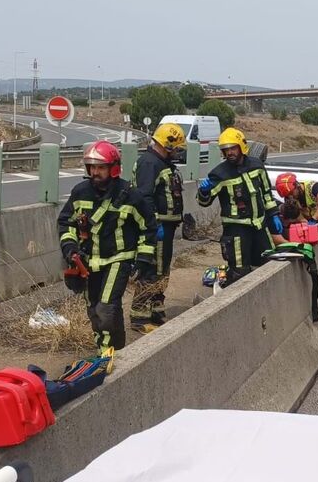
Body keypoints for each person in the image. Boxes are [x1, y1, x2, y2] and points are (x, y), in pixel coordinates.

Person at [58, 141, 158, 355]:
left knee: (106, 307)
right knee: (94, 308)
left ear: (113, 168)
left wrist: (143, 259)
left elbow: (148, 227)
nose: (95, 172)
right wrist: (70, 248)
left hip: (118, 259)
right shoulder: (80, 192)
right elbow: (66, 223)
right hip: (87, 261)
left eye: (101, 167)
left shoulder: (130, 195)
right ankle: (114, 347)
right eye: (92, 167)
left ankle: (107, 352)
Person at [197, 128, 282, 286]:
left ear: (241, 146)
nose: (229, 152)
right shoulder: (219, 174)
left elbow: (266, 193)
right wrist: (203, 191)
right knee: (239, 273)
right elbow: (204, 202)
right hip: (236, 231)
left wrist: (274, 215)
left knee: (269, 266)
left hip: (260, 227)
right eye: (226, 149)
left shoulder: (257, 166)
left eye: (233, 148)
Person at [130, 123, 187, 333]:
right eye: (176, 148)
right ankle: (139, 316)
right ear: (167, 145)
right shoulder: (149, 164)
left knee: (162, 269)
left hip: (166, 227)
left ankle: (156, 310)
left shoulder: (163, 164)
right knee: (151, 270)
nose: (178, 152)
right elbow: (144, 198)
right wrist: (153, 226)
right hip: (155, 229)